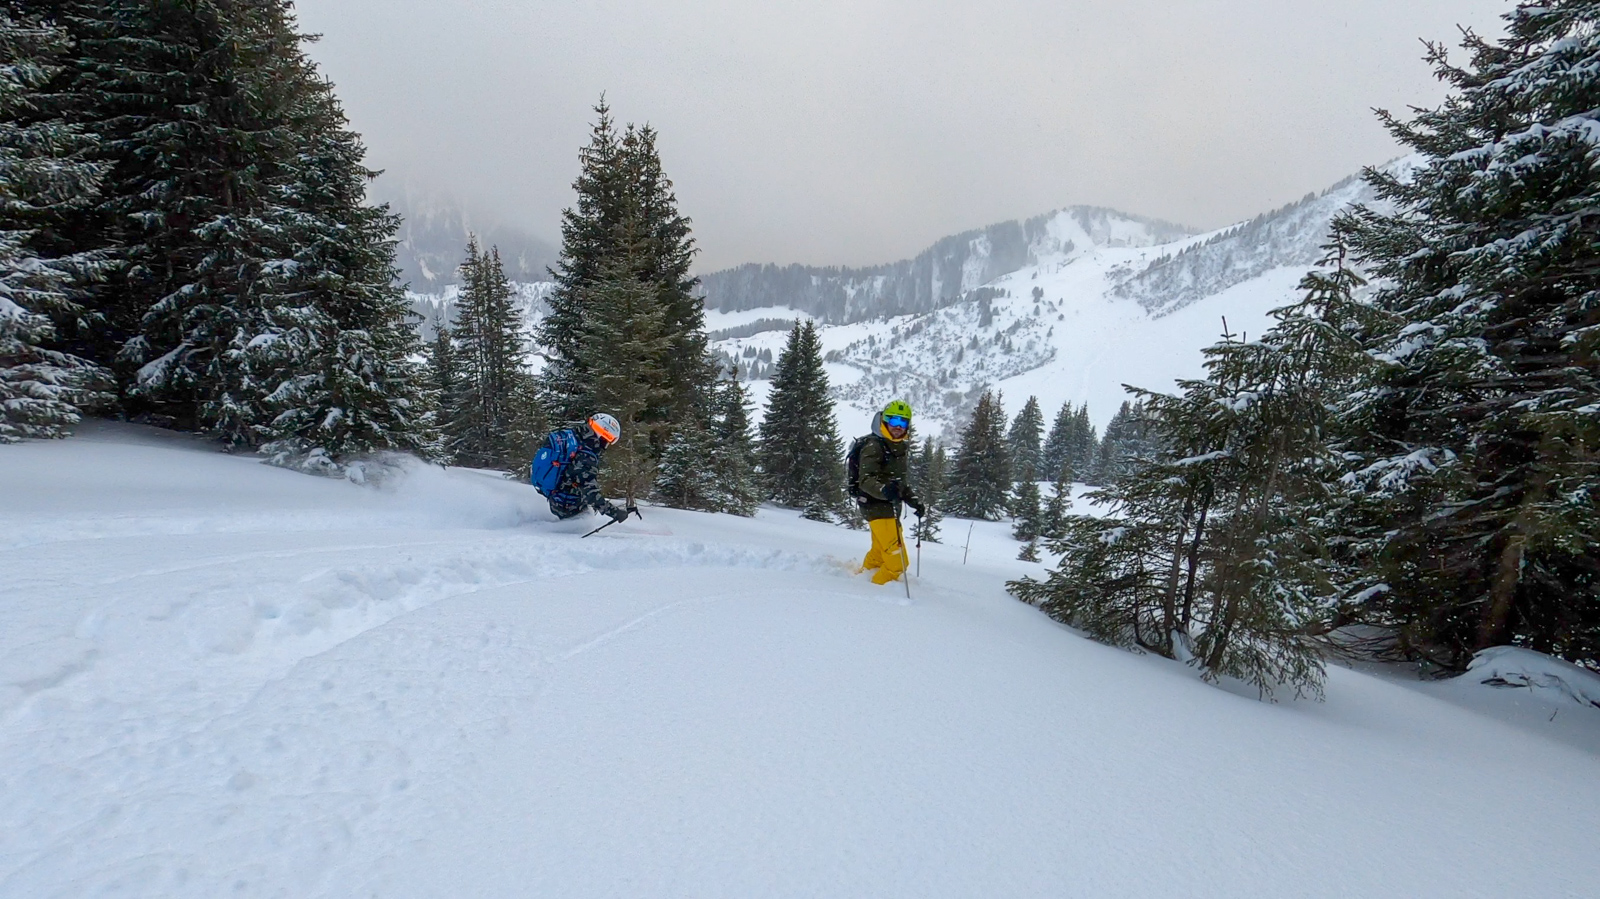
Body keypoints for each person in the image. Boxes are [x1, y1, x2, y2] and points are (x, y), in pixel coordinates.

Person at [850, 399, 926, 585]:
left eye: (903, 422)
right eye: (894, 421)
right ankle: (873, 589)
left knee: (878, 552)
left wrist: (912, 500)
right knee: (897, 563)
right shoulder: (874, 446)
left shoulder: (898, 446)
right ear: (884, 420)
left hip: (889, 507)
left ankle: (861, 579)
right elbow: (865, 480)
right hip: (876, 506)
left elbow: (898, 482)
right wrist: (883, 490)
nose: (898, 427)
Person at [533, 412, 634, 523]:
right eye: (609, 439)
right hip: (567, 504)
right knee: (584, 522)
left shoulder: (574, 437)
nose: (606, 445)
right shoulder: (586, 456)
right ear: (602, 436)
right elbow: (589, 490)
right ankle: (561, 530)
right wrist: (614, 512)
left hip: (558, 495)